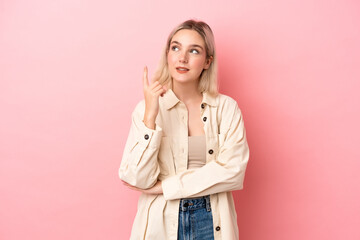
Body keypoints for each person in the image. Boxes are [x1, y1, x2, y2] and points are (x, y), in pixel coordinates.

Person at [119, 19, 250, 240]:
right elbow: (136, 179)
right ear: (167, 54)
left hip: (211, 220)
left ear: (207, 61)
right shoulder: (146, 109)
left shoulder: (226, 108)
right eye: (176, 47)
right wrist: (150, 116)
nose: (183, 58)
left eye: (194, 51)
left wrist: (166, 187)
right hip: (161, 224)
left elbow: (234, 172)